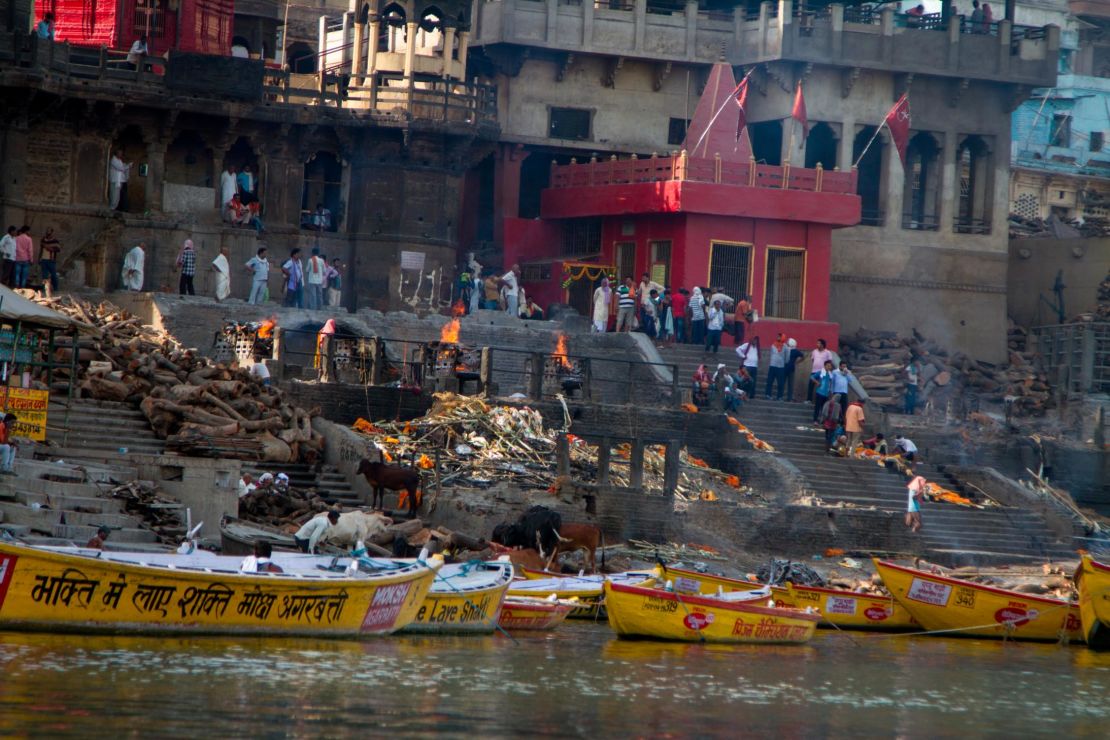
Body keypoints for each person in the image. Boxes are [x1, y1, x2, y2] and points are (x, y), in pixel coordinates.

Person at [765, 334, 788, 401]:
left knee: (780, 383)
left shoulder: (785, 347)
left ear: (783, 338)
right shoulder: (773, 345)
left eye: (779, 336)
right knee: (770, 381)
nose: (778, 337)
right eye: (777, 336)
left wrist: (783, 362)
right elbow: (771, 354)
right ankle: (768, 395)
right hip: (772, 365)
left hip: (780, 367)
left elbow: (787, 357)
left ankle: (779, 397)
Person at [315, 318, 337, 382]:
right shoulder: (330, 331)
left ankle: (319, 378)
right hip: (328, 351)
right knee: (332, 364)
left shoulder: (323, 330)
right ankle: (335, 378)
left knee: (322, 363)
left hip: (322, 350)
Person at [38, 228, 60, 292]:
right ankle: (45, 289)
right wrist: (39, 258)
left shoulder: (55, 241)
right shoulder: (43, 240)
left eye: (49, 233)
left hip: (51, 260)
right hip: (43, 260)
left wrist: (49, 248)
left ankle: (55, 289)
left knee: (53, 275)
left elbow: (58, 249)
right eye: (47, 232)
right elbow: (41, 250)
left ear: (52, 233)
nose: (48, 234)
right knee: (44, 276)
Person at [813, 359, 835, 423]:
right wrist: (817, 382)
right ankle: (815, 420)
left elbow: (830, 383)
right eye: (828, 366)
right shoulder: (820, 372)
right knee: (817, 407)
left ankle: (822, 420)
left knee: (824, 408)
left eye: (830, 366)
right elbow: (812, 377)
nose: (829, 367)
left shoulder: (830, 374)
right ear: (825, 366)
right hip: (819, 392)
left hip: (826, 394)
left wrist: (830, 391)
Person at [906, 468, 926, 532]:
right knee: (918, 523)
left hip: (912, 509)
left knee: (909, 523)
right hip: (914, 509)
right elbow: (914, 497)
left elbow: (917, 498)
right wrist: (921, 493)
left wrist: (921, 495)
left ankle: (913, 532)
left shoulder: (913, 487)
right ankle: (914, 533)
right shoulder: (915, 488)